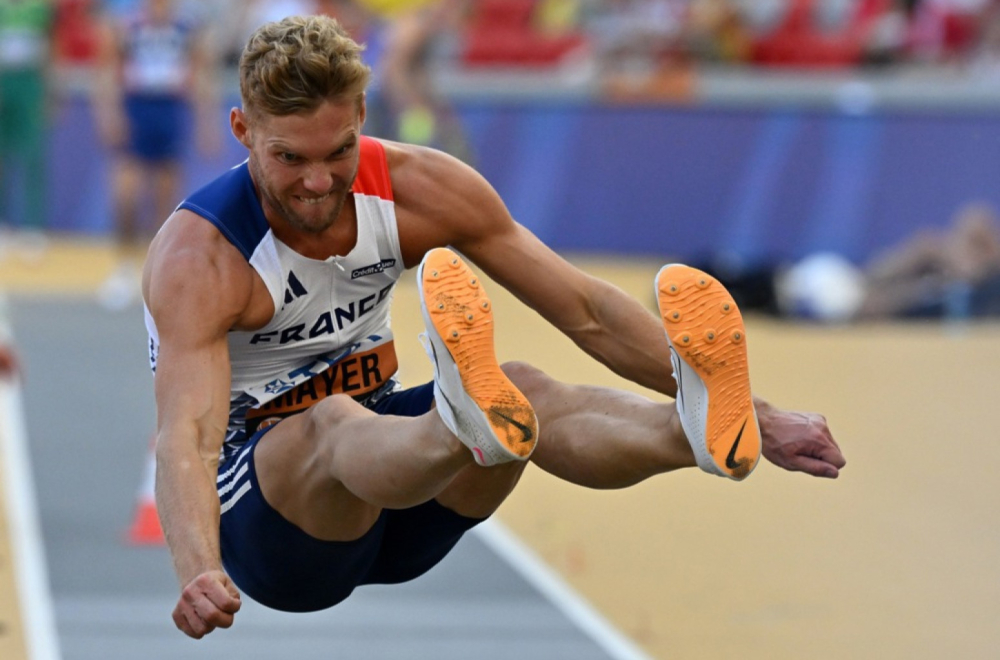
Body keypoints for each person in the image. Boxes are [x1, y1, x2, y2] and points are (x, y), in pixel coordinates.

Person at [142, 16, 845, 639]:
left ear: (362, 112)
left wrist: (760, 414)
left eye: (338, 152)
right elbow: (187, 436)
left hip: (408, 493)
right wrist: (197, 569)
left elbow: (587, 311)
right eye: (289, 158)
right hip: (278, 533)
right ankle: (460, 423)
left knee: (523, 389)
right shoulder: (203, 258)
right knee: (331, 419)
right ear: (243, 131)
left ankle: (693, 431)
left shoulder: (423, 187)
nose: (320, 182)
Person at [93, 0, 219, 310]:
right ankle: (123, 265)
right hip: (138, 107)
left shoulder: (186, 29)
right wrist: (109, 114)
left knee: (165, 199)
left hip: (169, 108)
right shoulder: (129, 27)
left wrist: (207, 124)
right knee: (126, 195)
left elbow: (202, 75)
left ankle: (160, 271)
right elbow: (108, 71)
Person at [0, 0, 55, 258]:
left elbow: (52, 50)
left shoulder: (39, 9)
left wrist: (50, 90)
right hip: (3, 80)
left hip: (29, 82)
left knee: (33, 156)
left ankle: (32, 228)